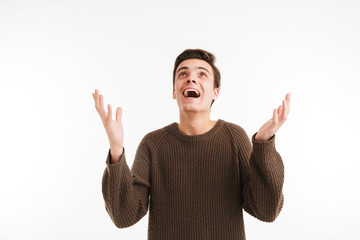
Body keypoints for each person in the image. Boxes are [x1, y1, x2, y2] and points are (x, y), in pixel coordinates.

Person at [92, 49, 291, 240]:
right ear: (174, 92)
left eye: (202, 74)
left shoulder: (234, 137)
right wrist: (116, 149)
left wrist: (264, 145)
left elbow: (266, 210)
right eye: (183, 74)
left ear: (215, 93)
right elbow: (124, 216)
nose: (191, 78)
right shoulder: (153, 144)